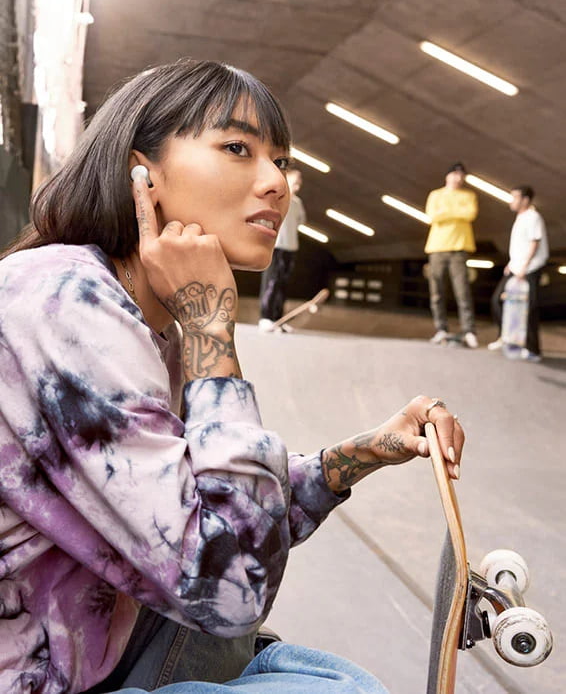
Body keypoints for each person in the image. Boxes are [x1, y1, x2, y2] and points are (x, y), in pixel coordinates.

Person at [0, 59, 463, 694]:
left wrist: (361, 454)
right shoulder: (65, 304)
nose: (277, 183)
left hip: (99, 637)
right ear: (143, 174)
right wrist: (211, 327)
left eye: (281, 160)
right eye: (238, 148)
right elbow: (231, 580)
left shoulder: (143, 319)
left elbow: (224, 513)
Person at [488, 185, 548, 361]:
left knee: (529, 307)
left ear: (525, 200)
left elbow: (534, 243)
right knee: (498, 300)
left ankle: (533, 349)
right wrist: (511, 263)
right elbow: (520, 246)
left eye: (515, 197)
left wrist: (524, 266)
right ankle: (505, 336)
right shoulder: (520, 217)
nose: (511, 201)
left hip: (530, 268)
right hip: (516, 267)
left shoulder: (533, 217)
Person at [424, 162, 479, 348]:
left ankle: (469, 330)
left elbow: (470, 214)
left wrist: (445, 212)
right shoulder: (436, 195)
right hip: (437, 247)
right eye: (455, 174)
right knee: (436, 292)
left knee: (462, 291)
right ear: (447, 176)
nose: (458, 178)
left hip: (459, 248)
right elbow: (433, 216)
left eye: (461, 175)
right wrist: (457, 212)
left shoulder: (469, 196)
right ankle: (441, 328)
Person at [258, 167, 305, 332]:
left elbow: (300, 221)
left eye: (299, 183)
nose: (297, 186)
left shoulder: (297, 203)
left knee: (283, 284)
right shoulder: (277, 199)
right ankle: (265, 317)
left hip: (291, 247)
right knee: (271, 281)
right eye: (295, 182)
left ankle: (278, 318)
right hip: (276, 246)